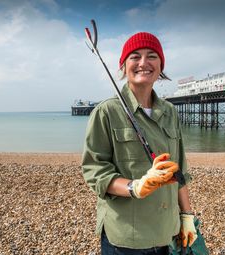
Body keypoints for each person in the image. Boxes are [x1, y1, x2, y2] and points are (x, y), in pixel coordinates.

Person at [82, 32, 197, 254]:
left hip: (167, 230)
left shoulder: (170, 111)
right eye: (135, 57)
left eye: (151, 56)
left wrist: (187, 216)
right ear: (124, 66)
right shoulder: (106, 112)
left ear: (160, 66)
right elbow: (95, 172)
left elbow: (179, 172)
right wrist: (136, 187)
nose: (143, 63)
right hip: (127, 236)